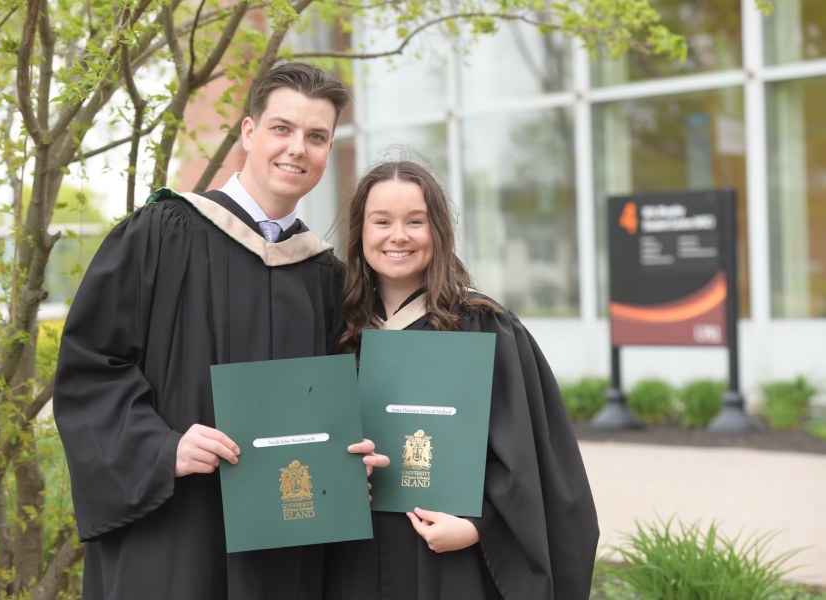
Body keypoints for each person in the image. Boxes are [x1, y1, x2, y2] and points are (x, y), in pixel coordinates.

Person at [54, 62, 388, 600]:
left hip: (285, 544)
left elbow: (345, 400)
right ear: (249, 133)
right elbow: (90, 367)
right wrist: (161, 449)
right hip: (174, 531)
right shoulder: (162, 234)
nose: (297, 148)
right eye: (282, 128)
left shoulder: (327, 277)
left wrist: (355, 457)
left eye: (316, 136)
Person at [325, 160, 599, 599]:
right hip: (352, 560)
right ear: (360, 231)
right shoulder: (339, 328)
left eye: (415, 221)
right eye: (382, 221)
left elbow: (537, 465)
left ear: (437, 230)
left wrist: (478, 527)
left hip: (447, 564)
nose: (398, 235)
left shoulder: (481, 326)